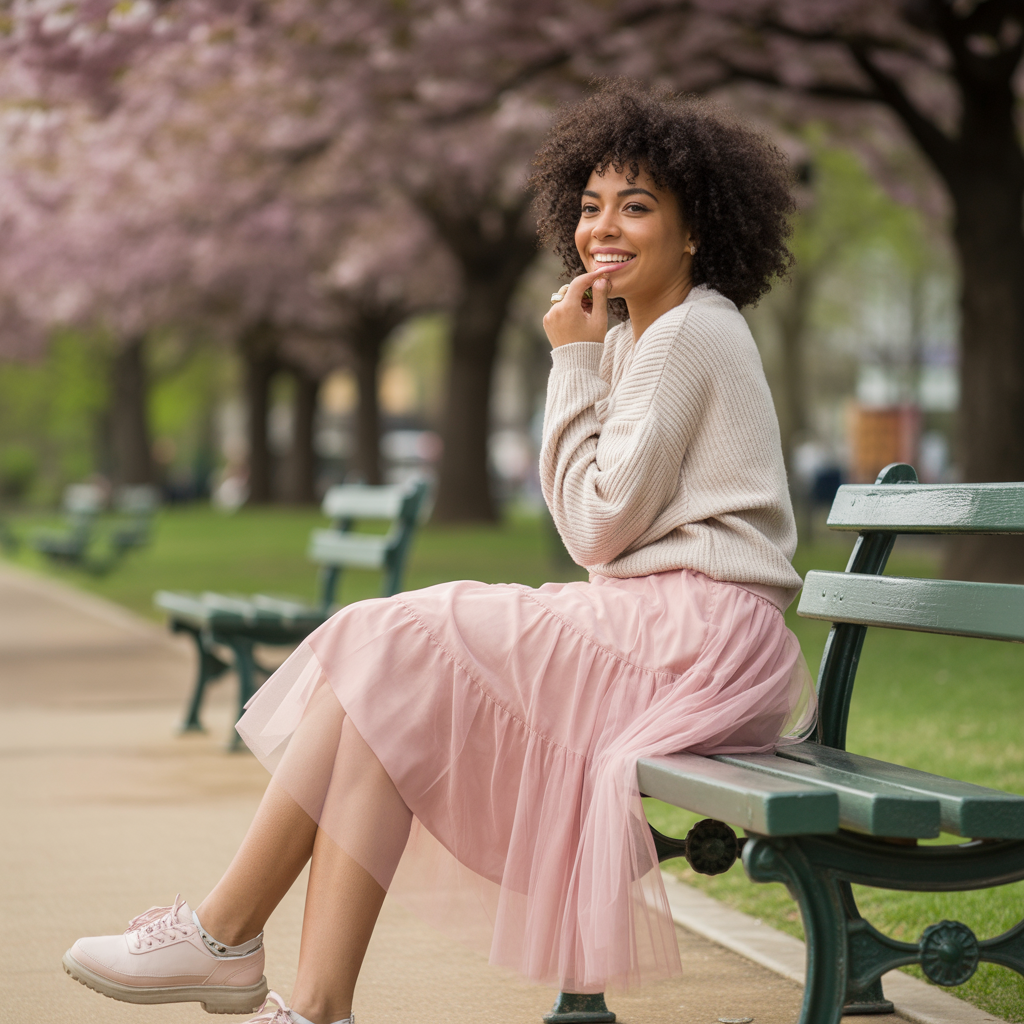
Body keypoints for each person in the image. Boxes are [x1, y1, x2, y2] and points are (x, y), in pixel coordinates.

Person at [62, 82, 814, 1024]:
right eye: (590, 206)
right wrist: (589, 357)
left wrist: (570, 360)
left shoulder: (688, 333)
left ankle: (223, 936)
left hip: (695, 638)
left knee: (389, 641)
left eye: (636, 206)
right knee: (383, 681)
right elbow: (605, 533)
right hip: (665, 625)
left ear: (695, 228)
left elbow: (593, 530)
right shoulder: (644, 335)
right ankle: (308, 1003)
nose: (602, 229)